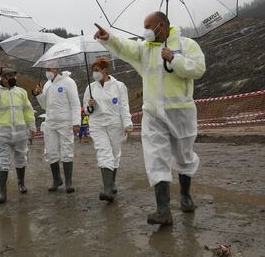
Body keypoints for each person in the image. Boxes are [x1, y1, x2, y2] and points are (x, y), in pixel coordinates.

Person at [94, 11, 206, 225]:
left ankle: (185, 195)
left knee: (184, 157)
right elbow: (125, 47)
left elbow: (199, 69)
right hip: (153, 114)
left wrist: (174, 58)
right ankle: (163, 210)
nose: (144, 30)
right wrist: (108, 38)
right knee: (156, 157)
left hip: (181, 111)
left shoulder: (187, 45)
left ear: (161, 26)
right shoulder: (145, 49)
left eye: (148, 25)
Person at [0, 66, 36, 204]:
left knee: (21, 158)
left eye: (13, 75)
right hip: (2, 133)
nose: (12, 78)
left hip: (20, 132)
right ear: (2, 78)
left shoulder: (21, 92)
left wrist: (31, 127)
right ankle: (2, 191)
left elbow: (28, 110)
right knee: (2, 161)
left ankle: (21, 183)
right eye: (8, 76)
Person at [83, 57, 133, 202]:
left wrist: (127, 123)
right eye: (93, 71)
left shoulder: (119, 86)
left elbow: (124, 106)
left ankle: (111, 184)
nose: (95, 74)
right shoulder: (90, 88)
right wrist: (90, 105)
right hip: (97, 124)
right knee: (104, 152)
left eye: (97, 70)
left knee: (115, 154)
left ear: (105, 70)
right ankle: (107, 190)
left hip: (114, 123)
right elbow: (87, 111)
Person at [33, 63, 80, 193]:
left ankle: (69, 182)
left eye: (50, 69)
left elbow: (75, 104)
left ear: (56, 69)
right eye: (46, 69)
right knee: (51, 151)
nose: (47, 72)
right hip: (50, 123)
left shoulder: (69, 82)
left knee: (67, 150)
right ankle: (56, 179)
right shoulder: (47, 84)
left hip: (65, 122)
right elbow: (44, 106)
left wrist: (76, 122)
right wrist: (39, 95)